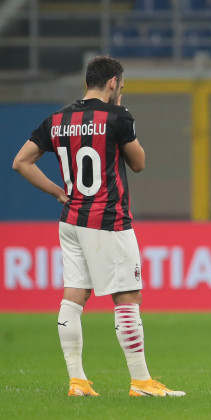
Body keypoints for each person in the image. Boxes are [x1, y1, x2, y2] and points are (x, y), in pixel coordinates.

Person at [12, 55, 185, 398]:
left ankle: (77, 381)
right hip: (107, 220)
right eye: (121, 85)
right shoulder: (117, 116)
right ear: (112, 83)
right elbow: (138, 163)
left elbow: (21, 162)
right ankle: (141, 382)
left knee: (73, 297)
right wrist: (123, 117)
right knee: (127, 297)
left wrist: (59, 192)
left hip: (71, 220)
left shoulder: (58, 119)